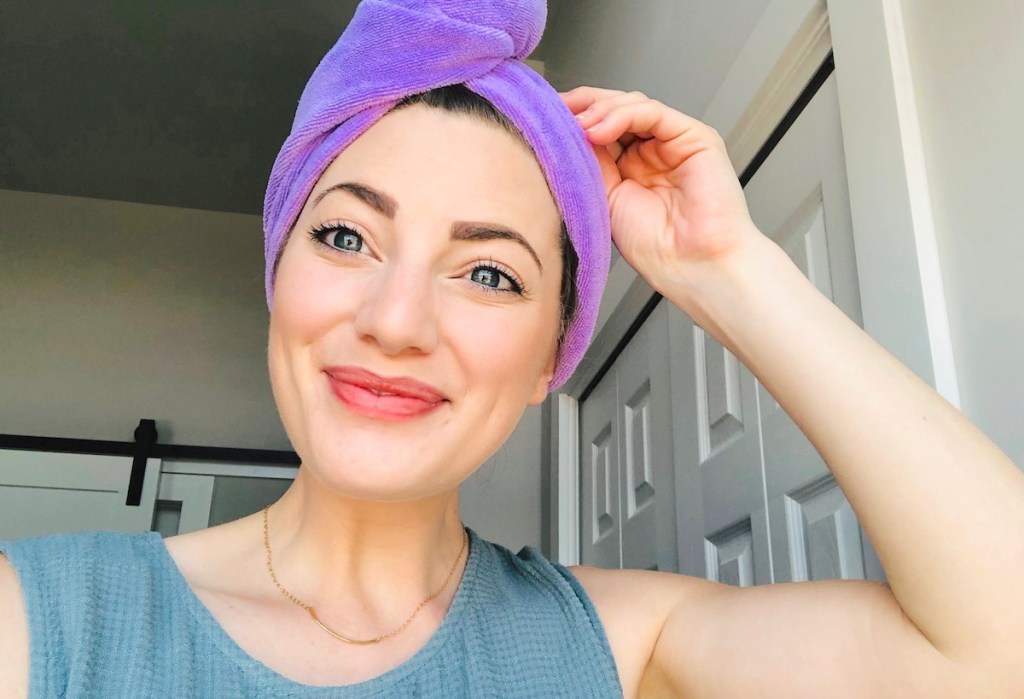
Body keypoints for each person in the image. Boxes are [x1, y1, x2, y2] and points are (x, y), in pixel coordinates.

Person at [2, 1, 1023, 697]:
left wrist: (728, 268)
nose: (396, 321)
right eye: (346, 236)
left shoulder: (624, 647)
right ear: (279, 278)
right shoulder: (36, 621)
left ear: (550, 361)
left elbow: (994, 655)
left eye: (489, 273)